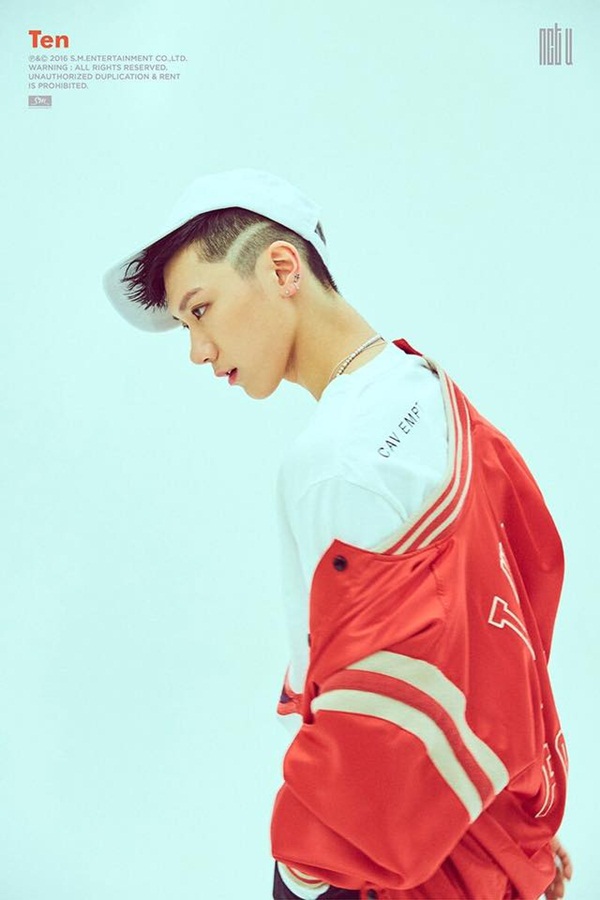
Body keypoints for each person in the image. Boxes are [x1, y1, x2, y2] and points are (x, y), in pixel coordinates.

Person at [103, 169, 572, 899]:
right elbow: (502, 621)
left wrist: (301, 876)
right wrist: (509, 826)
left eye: (201, 310)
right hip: (478, 833)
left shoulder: (334, 461)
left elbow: (374, 715)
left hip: (386, 867)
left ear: (281, 269)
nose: (197, 350)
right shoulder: (428, 386)